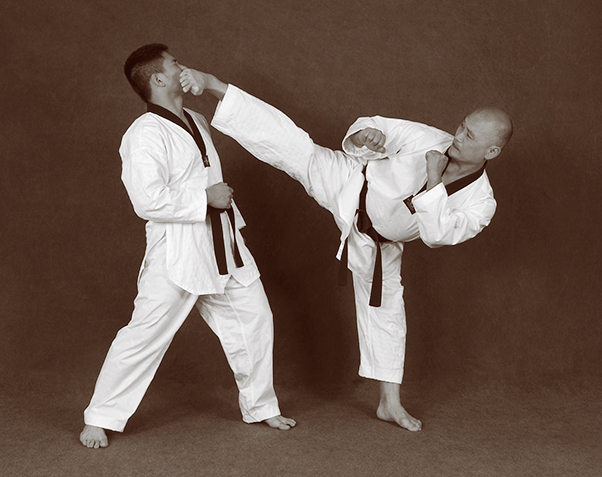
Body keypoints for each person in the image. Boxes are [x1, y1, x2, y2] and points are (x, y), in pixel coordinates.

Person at [178, 68, 513, 432]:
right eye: (462, 126)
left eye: (470, 135)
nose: (458, 135)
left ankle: (389, 403)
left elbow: (437, 235)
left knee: (387, 311)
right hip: (349, 185)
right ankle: (214, 86)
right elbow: (376, 127)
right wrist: (365, 135)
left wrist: (433, 181)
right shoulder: (427, 138)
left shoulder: (482, 203)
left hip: (379, 243)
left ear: (492, 151)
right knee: (294, 146)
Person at [79, 44, 296, 449]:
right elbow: (146, 200)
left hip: (223, 241)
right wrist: (205, 198)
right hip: (177, 249)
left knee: (255, 318)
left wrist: (216, 203)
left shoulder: (196, 119)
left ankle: (261, 406)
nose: (182, 66)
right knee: (145, 333)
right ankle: (100, 416)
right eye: (174, 62)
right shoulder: (144, 133)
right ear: (159, 78)